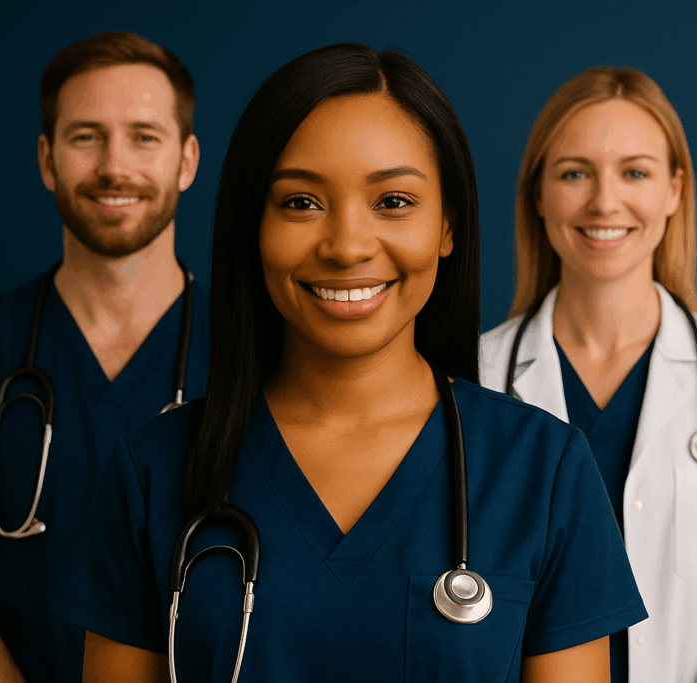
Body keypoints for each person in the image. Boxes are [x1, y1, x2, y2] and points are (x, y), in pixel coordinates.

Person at [51, 44, 647, 683]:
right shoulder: (152, 471)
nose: (347, 247)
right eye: (301, 203)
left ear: (448, 225)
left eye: (393, 201)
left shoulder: (543, 471)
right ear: (252, 226)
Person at [0, 31, 210, 683]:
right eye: (86, 136)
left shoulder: (256, 355)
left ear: (186, 161)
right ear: (47, 160)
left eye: (144, 136)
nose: (115, 166)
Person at [480, 67, 697, 682]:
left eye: (634, 172)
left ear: (673, 191)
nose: (604, 201)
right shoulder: (474, 378)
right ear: (538, 194)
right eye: (575, 173)